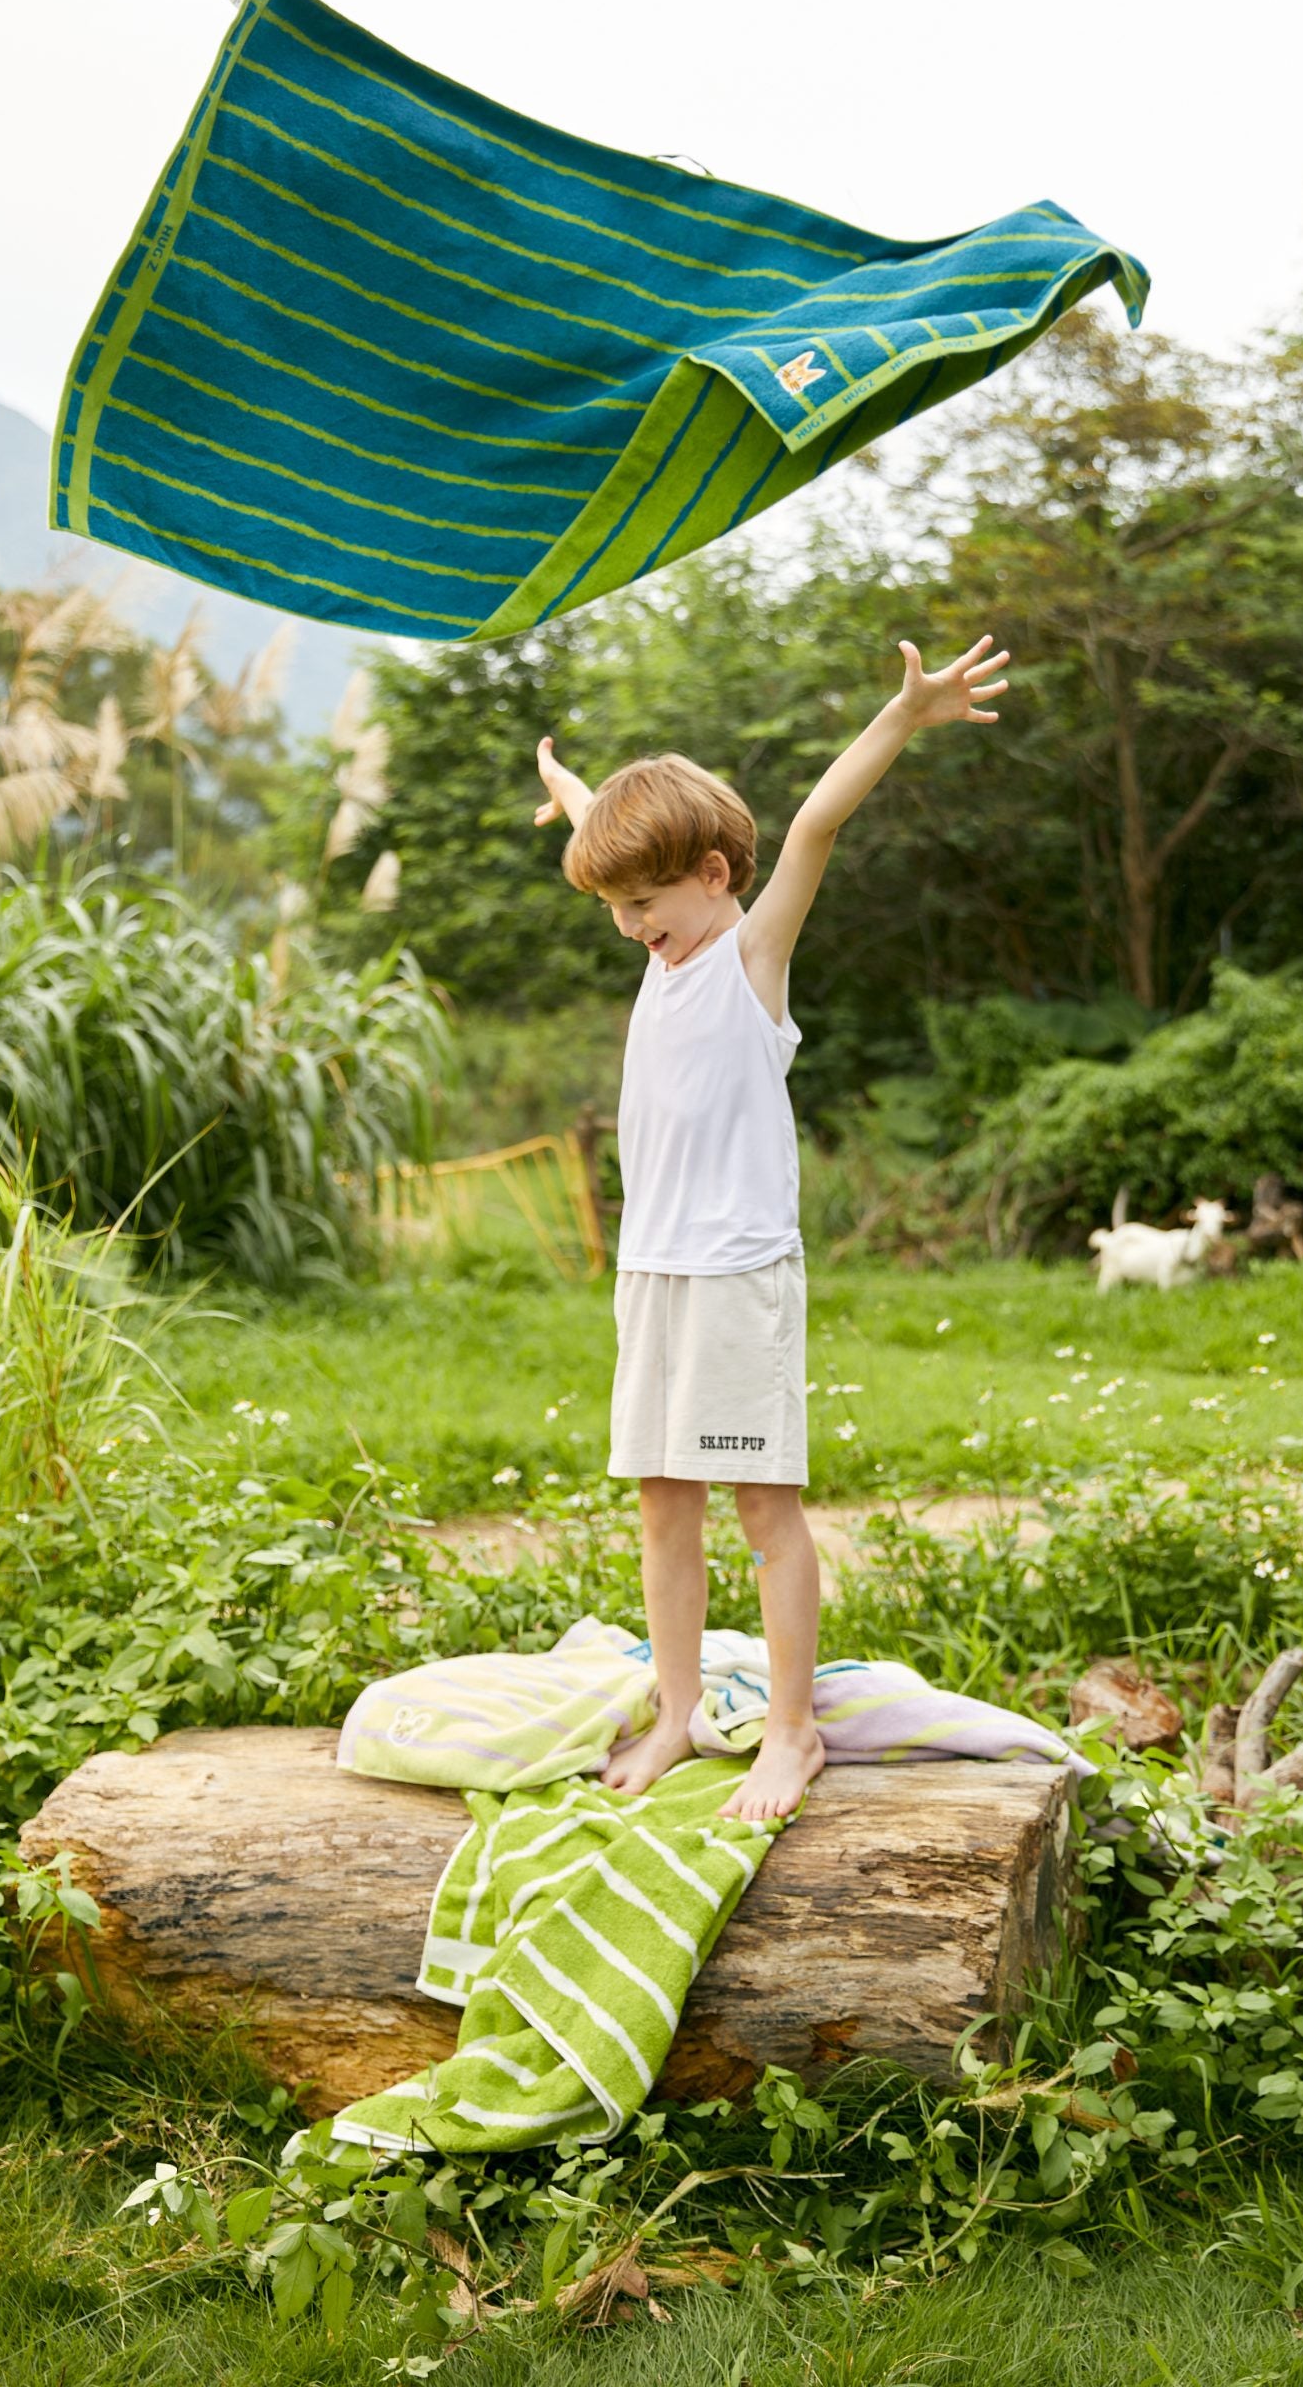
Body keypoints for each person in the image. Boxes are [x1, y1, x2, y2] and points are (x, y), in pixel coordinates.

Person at [532, 633, 1010, 1822]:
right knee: (660, 1505)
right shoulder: (665, 935)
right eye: (613, 910)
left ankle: (791, 1733)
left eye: (641, 904)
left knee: (763, 1513)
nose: (629, 928)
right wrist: (578, 802)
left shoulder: (745, 953)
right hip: (653, 1276)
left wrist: (904, 716)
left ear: (710, 872)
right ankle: (681, 1712)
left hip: (741, 1277)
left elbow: (810, 830)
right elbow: (622, 839)